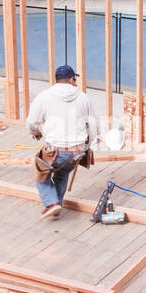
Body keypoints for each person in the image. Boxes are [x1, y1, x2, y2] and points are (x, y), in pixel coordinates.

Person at [26, 64, 99, 219]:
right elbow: (93, 125)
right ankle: (57, 206)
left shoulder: (44, 96)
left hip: (55, 150)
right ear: (71, 79)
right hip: (76, 152)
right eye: (74, 79)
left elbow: (31, 122)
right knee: (62, 174)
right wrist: (86, 146)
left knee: (39, 172)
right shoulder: (83, 97)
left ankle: (52, 204)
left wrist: (36, 132)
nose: (75, 82)